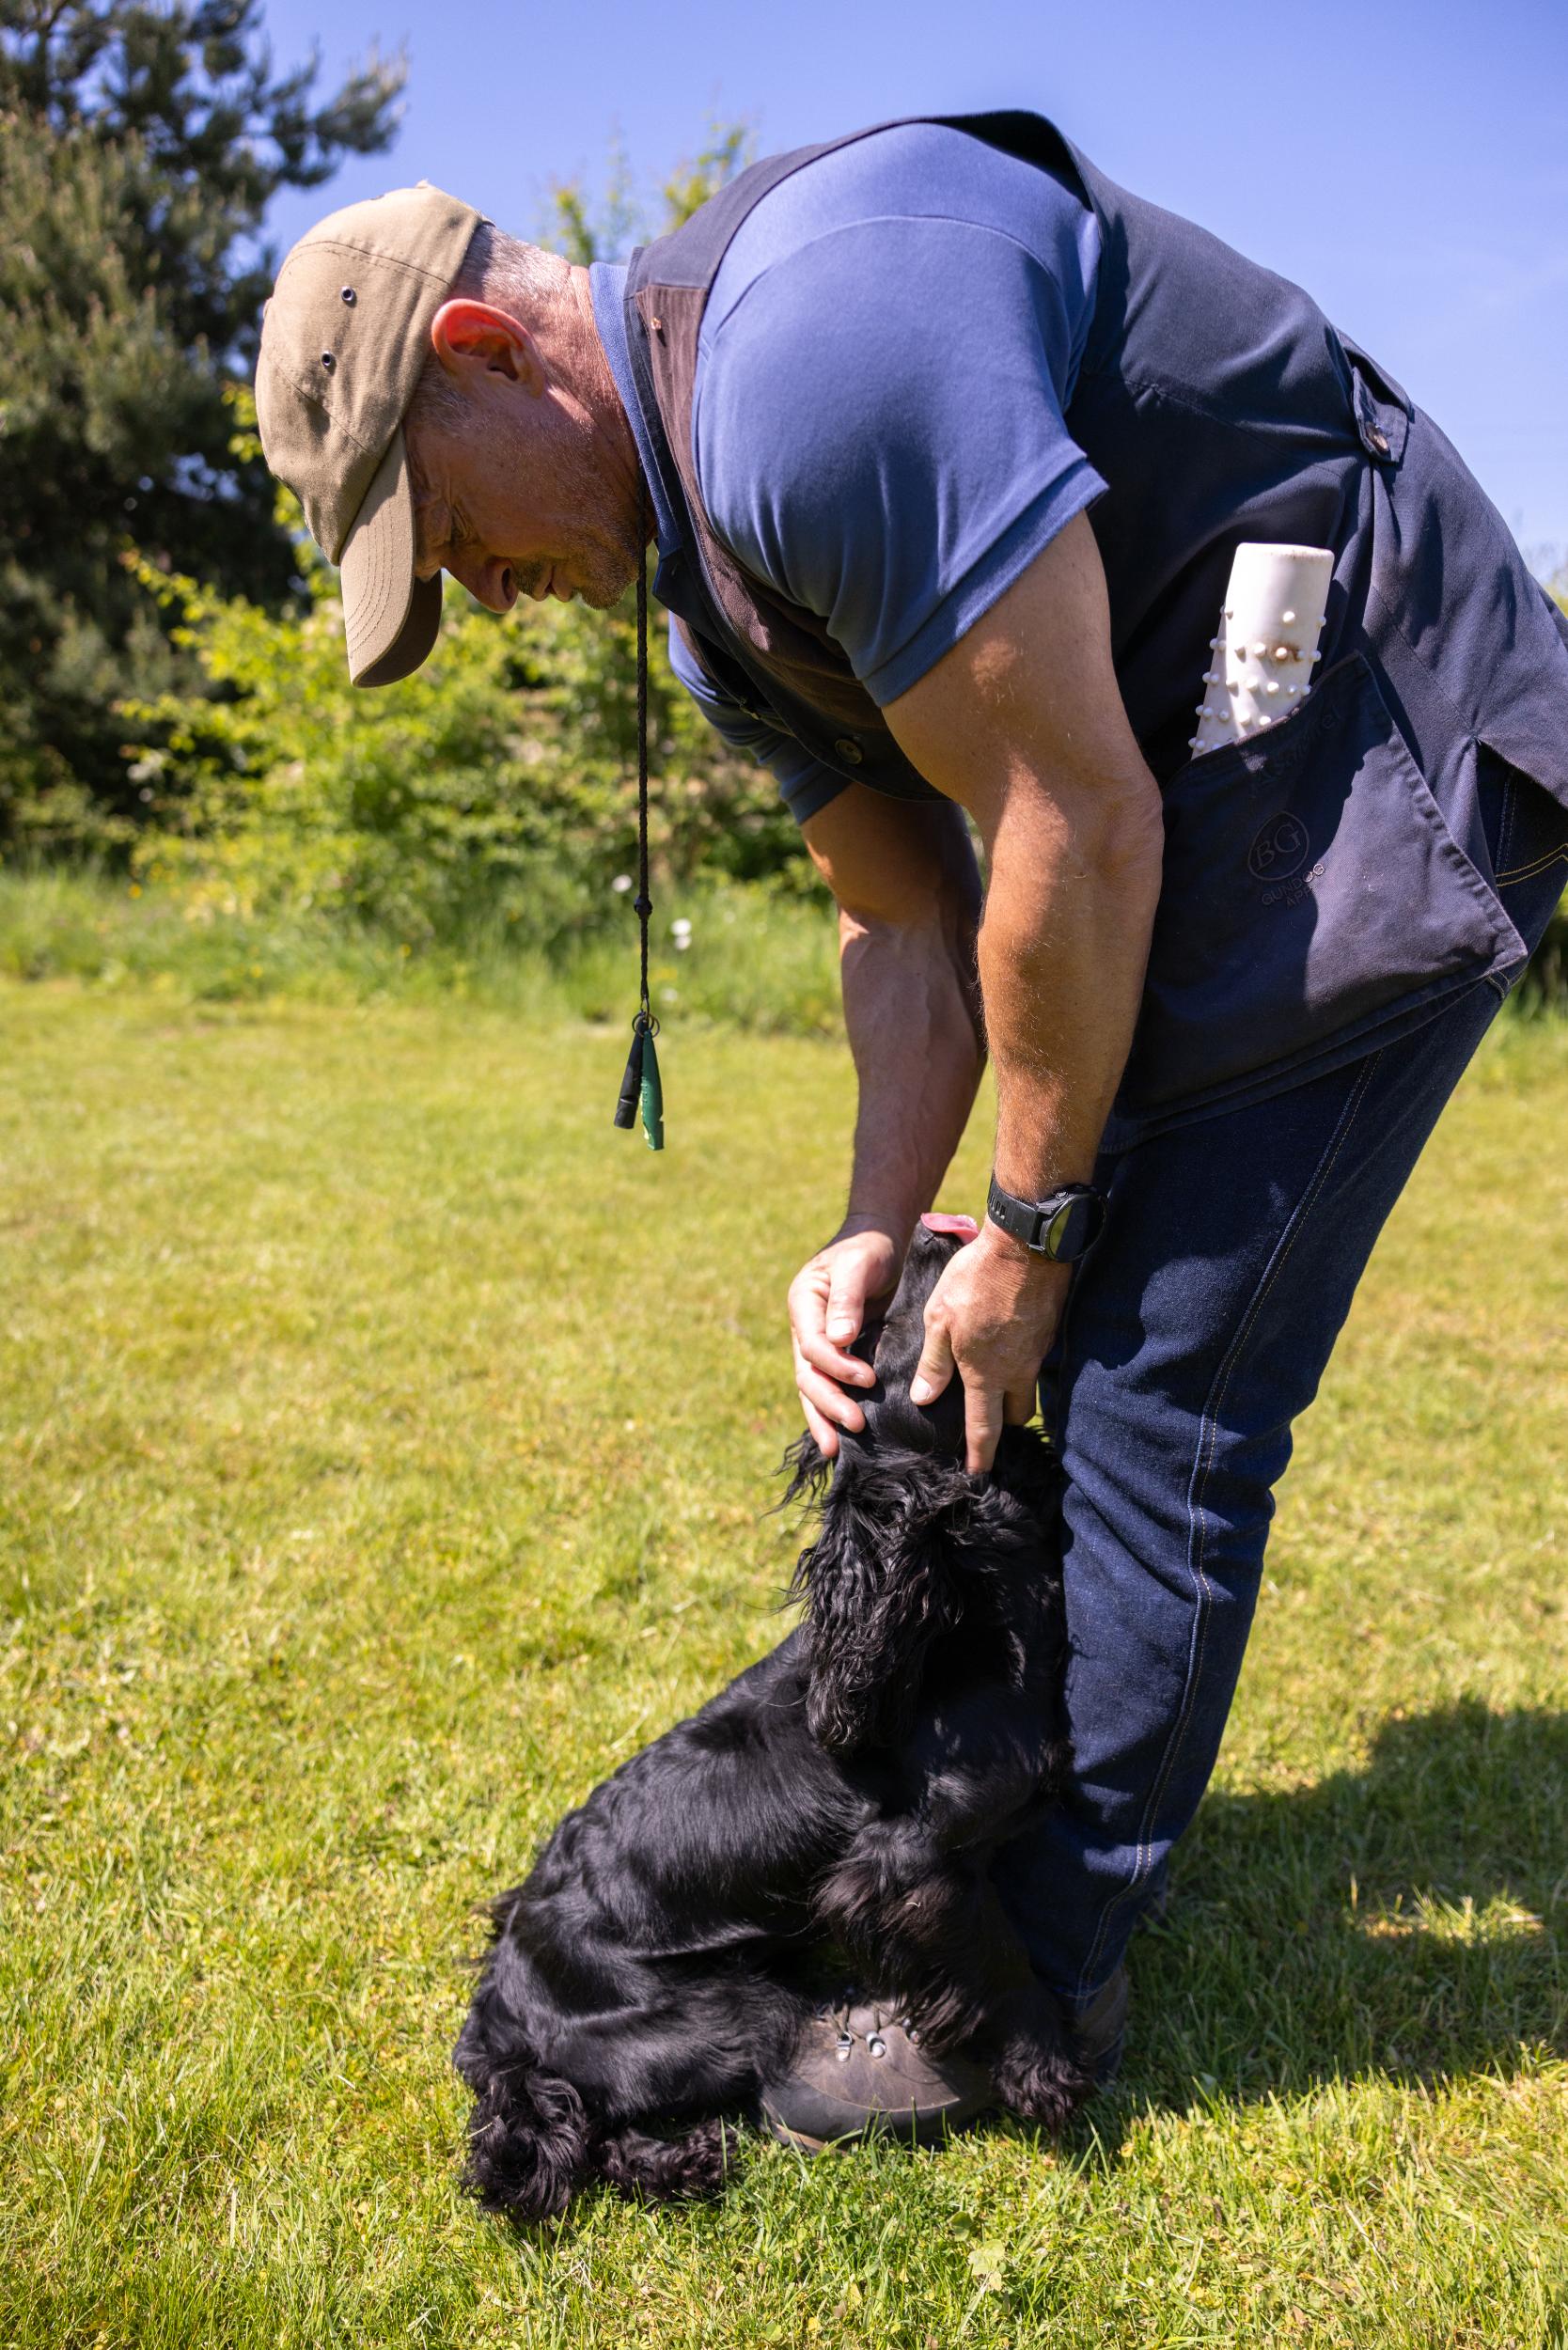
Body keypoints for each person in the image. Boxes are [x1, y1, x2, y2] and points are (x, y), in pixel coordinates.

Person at [255, 115, 1568, 2150]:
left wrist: (1030, 1228)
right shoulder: (710, 592)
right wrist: (882, 1224)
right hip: (1169, 814)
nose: (482, 599)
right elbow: (904, 914)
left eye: (437, 530)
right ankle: (1019, 1855)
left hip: (1362, 766)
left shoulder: (813, 364)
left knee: (1160, 1395)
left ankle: (1030, 1973)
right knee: (989, 1349)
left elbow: (1068, 819)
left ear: (487, 351)